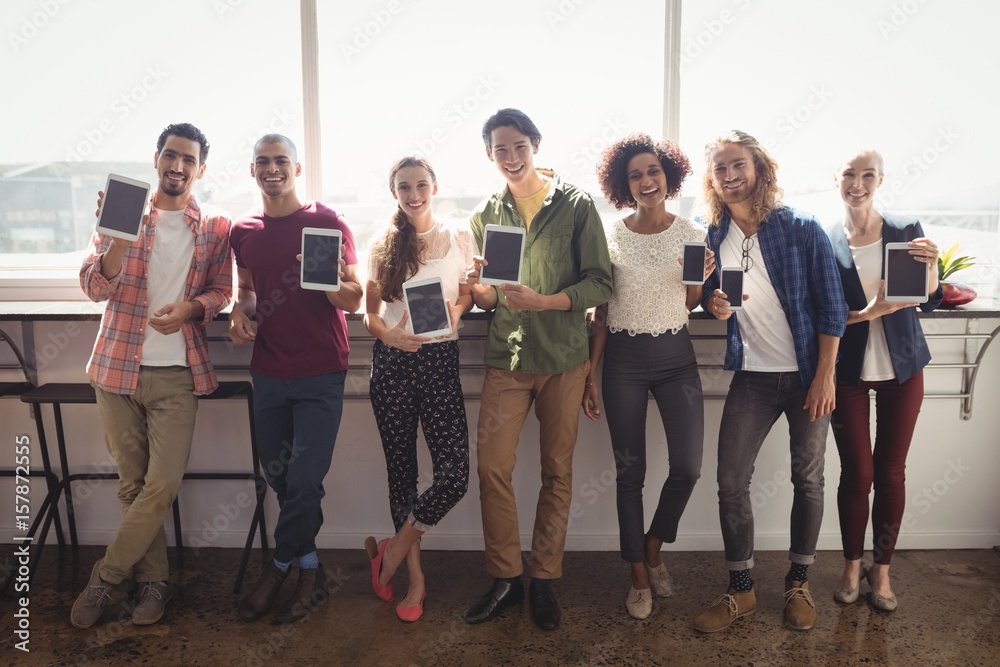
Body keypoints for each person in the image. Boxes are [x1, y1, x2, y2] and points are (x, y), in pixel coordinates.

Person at [73, 123, 233, 629]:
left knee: (160, 484)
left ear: (200, 170)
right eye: (170, 155)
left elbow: (222, 292)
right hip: (115, 370)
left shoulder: (215, 227)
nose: (178, 165)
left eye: (188, 159)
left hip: (177, 376)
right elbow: (93, 287)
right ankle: (154, 583)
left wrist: (190, 309)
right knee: (132, 485)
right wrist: (118, 240)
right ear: (157, 158)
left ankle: (105, 577)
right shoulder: (122, 215)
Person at [463, 108, 613, 630]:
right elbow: (488, 298)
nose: (511, 157)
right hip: (507, 359)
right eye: (500, 149)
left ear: (536, 146)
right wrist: (478, 287)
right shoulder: (484, 213)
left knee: (557, 471)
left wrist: (547, 302)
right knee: (491, 467)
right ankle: (506, 578)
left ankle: (545, 578)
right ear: (489, 154)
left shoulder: (576, 204)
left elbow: (600, 282)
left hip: (564, 359)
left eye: (519, 146)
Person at [692, 130, 847, 633]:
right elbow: (704, 295)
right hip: (752, 377)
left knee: (809, 479)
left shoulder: (800, 226)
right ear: (711, 179)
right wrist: (713, 304)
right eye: (720, 168)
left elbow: (833, 307)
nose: (729, 175)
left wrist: (824, 376)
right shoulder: (710, 233)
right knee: (730, 481)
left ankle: (798, 583)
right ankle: (741, 590)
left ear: (759, 168)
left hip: (806, 376)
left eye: (738, 164)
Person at [228, 134, 363, 624]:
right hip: (268, 371)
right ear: (252, 170)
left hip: (321, 371)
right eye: (263, 161)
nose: (272, 168)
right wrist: (238, 312)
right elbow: (246, 290)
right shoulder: (243, 231)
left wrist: (328, 284)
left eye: (281, 160)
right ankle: (310, 569)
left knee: (305, 479)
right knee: (281, 478)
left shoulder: (328, 222)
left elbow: (355, 298)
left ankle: (279, 568)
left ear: (297, 168)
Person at [583, 133, 713, 619]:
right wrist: (589, 374)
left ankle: (654, 544)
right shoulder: (610, 236)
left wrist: (698, 280)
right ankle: (638, 574)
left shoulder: (692, 233)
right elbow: (601, 312)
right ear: (624, 184)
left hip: (677, 357)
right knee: (629, 473)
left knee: (688, 468)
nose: (646, 181)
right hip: (623, 361)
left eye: (653, 171)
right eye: (635, 175)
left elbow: (690, 302)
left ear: (668, 176)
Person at [826, 149, 942, 612]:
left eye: (867, 174)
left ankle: (882, 571)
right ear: (836, 177)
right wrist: (869, 312)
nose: (858, 183)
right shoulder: (824, 238)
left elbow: (927, 297)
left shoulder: (905, 228)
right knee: (858, 473)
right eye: (849, 174)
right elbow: (822, 315)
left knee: (891, 473)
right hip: (848, 372)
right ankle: (851, 566)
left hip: (904, 368)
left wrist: (932, 269)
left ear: (880, 179)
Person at [363, 157, 473, 622]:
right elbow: (369, 315)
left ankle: (391, 551)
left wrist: (458, 311)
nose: (414, 194)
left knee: (455, 475)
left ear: (435, 187)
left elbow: (467, 292)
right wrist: (390, 337)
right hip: (393, 364)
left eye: (421, 185)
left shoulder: (460, 237)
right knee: (401, 474)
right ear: (395, 193)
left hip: (440, 360)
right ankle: (415, 579)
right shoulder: (382, 244)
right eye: (404, 187)